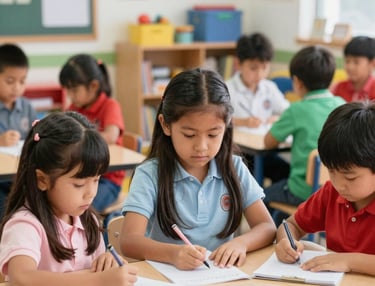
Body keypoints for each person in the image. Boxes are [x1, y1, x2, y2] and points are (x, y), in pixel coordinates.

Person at [120, 68, 276, 270]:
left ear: (226, 126)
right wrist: (174, 254)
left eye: (213, 135)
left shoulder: (234, 168)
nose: (201, 146)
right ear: (165, 125)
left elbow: (267, 227)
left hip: (221, 278)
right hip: (169, 278)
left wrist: (240, 243)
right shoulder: (150, 175)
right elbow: (129, 241)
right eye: (189, 135)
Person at [0, 111, 138, 285]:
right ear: (42, 180)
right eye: (79, 184)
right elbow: (21, 278)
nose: (91, 193)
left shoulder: (89, 221)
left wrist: (107, 263)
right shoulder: (25, 225)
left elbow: (96, 272)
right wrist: (98, 280)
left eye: (96, 180)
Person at [276, 101, 375, 276]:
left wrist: (348, 261)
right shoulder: (331, 193)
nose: (338, 183)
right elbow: (291, 225)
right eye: (331, 171)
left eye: (350, 177)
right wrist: (286, 242)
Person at [263, 46, 346, 226]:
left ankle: (270, 242)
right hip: (337, 189)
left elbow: (268, 142)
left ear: (297, 82)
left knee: (261, 198)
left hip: (302, 191)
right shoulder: (342, 105)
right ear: (331, 80)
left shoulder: (296, 110)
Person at [59, 54, 125, 224]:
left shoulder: (110, 105)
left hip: (107, 180)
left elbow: (111, 135)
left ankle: (92, 241)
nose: (70, 96)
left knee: (81, 209)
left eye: (74, 90)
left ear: (93, 86)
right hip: (79, 175)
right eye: (67, 90)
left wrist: (81, 137)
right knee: (59, 202)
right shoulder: (74, 108)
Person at [226, 33, 291, 183]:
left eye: (264, 68)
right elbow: (217, 119)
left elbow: (288, 111)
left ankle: (270, 204)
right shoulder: (228, 89)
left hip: (265, 150)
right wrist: (242, 122)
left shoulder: (269, 87)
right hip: (238, 154)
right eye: (253, 68)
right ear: (239, 64)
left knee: (286, 173)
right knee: (249, 178)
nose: (260, 74)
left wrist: (277, 118)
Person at [0, 43, 37, 219]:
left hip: (22, 177)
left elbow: (36, 136)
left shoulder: (27, 107)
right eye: (10, 81)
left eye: (22, 81)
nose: (16, 87)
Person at [331, 36, 375, 102]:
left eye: (356, 62)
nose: (350, 67)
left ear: (372, 63)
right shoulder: (338, 88)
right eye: (347, 61)